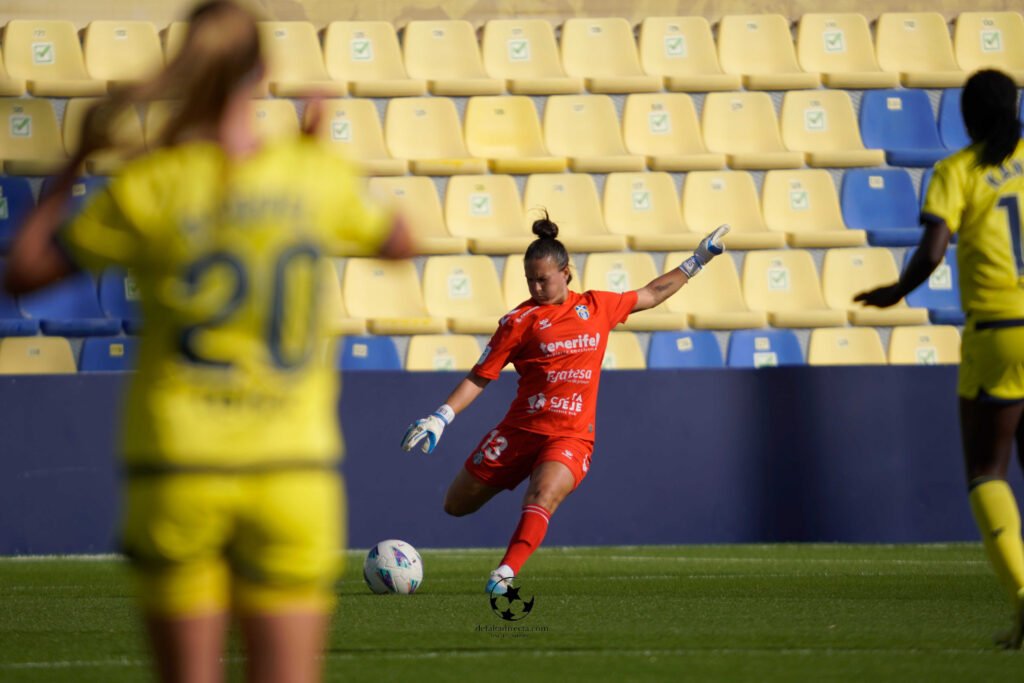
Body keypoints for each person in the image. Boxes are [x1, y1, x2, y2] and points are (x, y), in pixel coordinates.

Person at [4, 2, 410, 681]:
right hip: (291, 466)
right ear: (264, 72)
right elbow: (401, 242)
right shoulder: (310, 178)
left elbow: (23, 271)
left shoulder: (151, 185)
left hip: (178, 465)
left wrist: (74, 158)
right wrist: (318, 155)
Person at [402, 214, 728, 594]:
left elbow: (653, 293)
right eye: (530, 280)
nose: (537, 286)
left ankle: (505, 573)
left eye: (544, 278)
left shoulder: (598, 306)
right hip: (519, 432)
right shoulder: (518, 321)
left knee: (543, 494)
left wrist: (698, 259)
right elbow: (480, 376)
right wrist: (440, 418)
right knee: (456, 505)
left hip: (571, 436)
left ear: (566, 272)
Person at [856, 68, 1024, 649]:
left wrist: (894, 292)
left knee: (987, 468)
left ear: (967, 118)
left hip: (999, 330)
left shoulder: (958, 171)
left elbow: (933, 251)